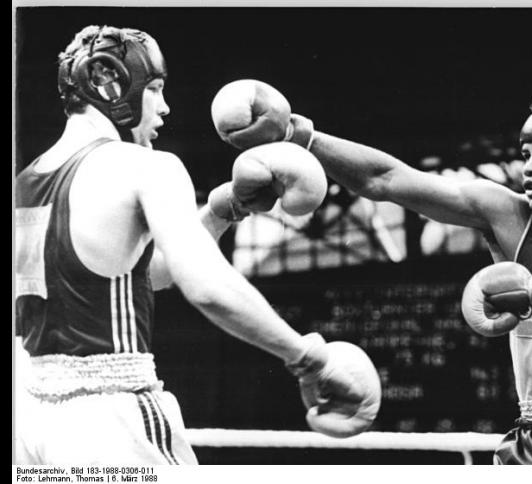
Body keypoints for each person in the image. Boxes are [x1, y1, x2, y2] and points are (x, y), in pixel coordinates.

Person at [223, 83, 532, 464]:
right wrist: (301, 137)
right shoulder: (507, 215)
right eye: (525, 152)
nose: (528, 167)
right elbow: (385, 180)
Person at [14, 25, 380, 465]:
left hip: (33, 423)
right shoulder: (146, 166)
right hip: (111, 416)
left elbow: (130, 276)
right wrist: (308, 357)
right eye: (154, 89)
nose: (164, 108)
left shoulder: (27, 183)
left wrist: (221, 210)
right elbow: (205, 284)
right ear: (112, 84)